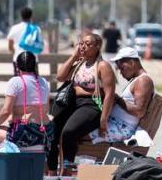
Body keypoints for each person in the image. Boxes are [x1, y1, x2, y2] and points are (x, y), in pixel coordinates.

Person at [48, 33, 116, 172]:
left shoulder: (103, 66)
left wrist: (103, 120)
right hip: (73, 103)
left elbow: (109, 94)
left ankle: (67, 170)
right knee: (52, 131)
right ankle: (52, 171)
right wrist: (73, 56)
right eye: (82, 43)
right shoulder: (79, 63)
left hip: (91, 104)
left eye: (88, 44)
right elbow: (60, 77)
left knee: (69, 132)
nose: (84, 46)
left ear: (97, 47)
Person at [0, 51, 53, 153]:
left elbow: (6, 111)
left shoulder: (15, 82)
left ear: (17, 66)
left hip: (25, 135)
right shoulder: (44, 82)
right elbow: (45, 109)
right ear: (34, 65)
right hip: (45, 133)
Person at [90, 47, 154, 144]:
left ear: (132, 63)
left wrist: (118, 99)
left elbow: (139, 112)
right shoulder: (137, 80)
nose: (121, 73)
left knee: (81, 132)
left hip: (122, 128)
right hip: (117, 124)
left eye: (122, 68)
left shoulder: (143, 81)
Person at [7, 7, 44, 72]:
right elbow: (40, 44)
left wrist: (14, 52)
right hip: (33, 60)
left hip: (18, 59)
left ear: (21, 16)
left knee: (18, 81)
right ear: (31, 16)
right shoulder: (36, 29)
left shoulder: (15, 28)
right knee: (33, 81)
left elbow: (10, 46)